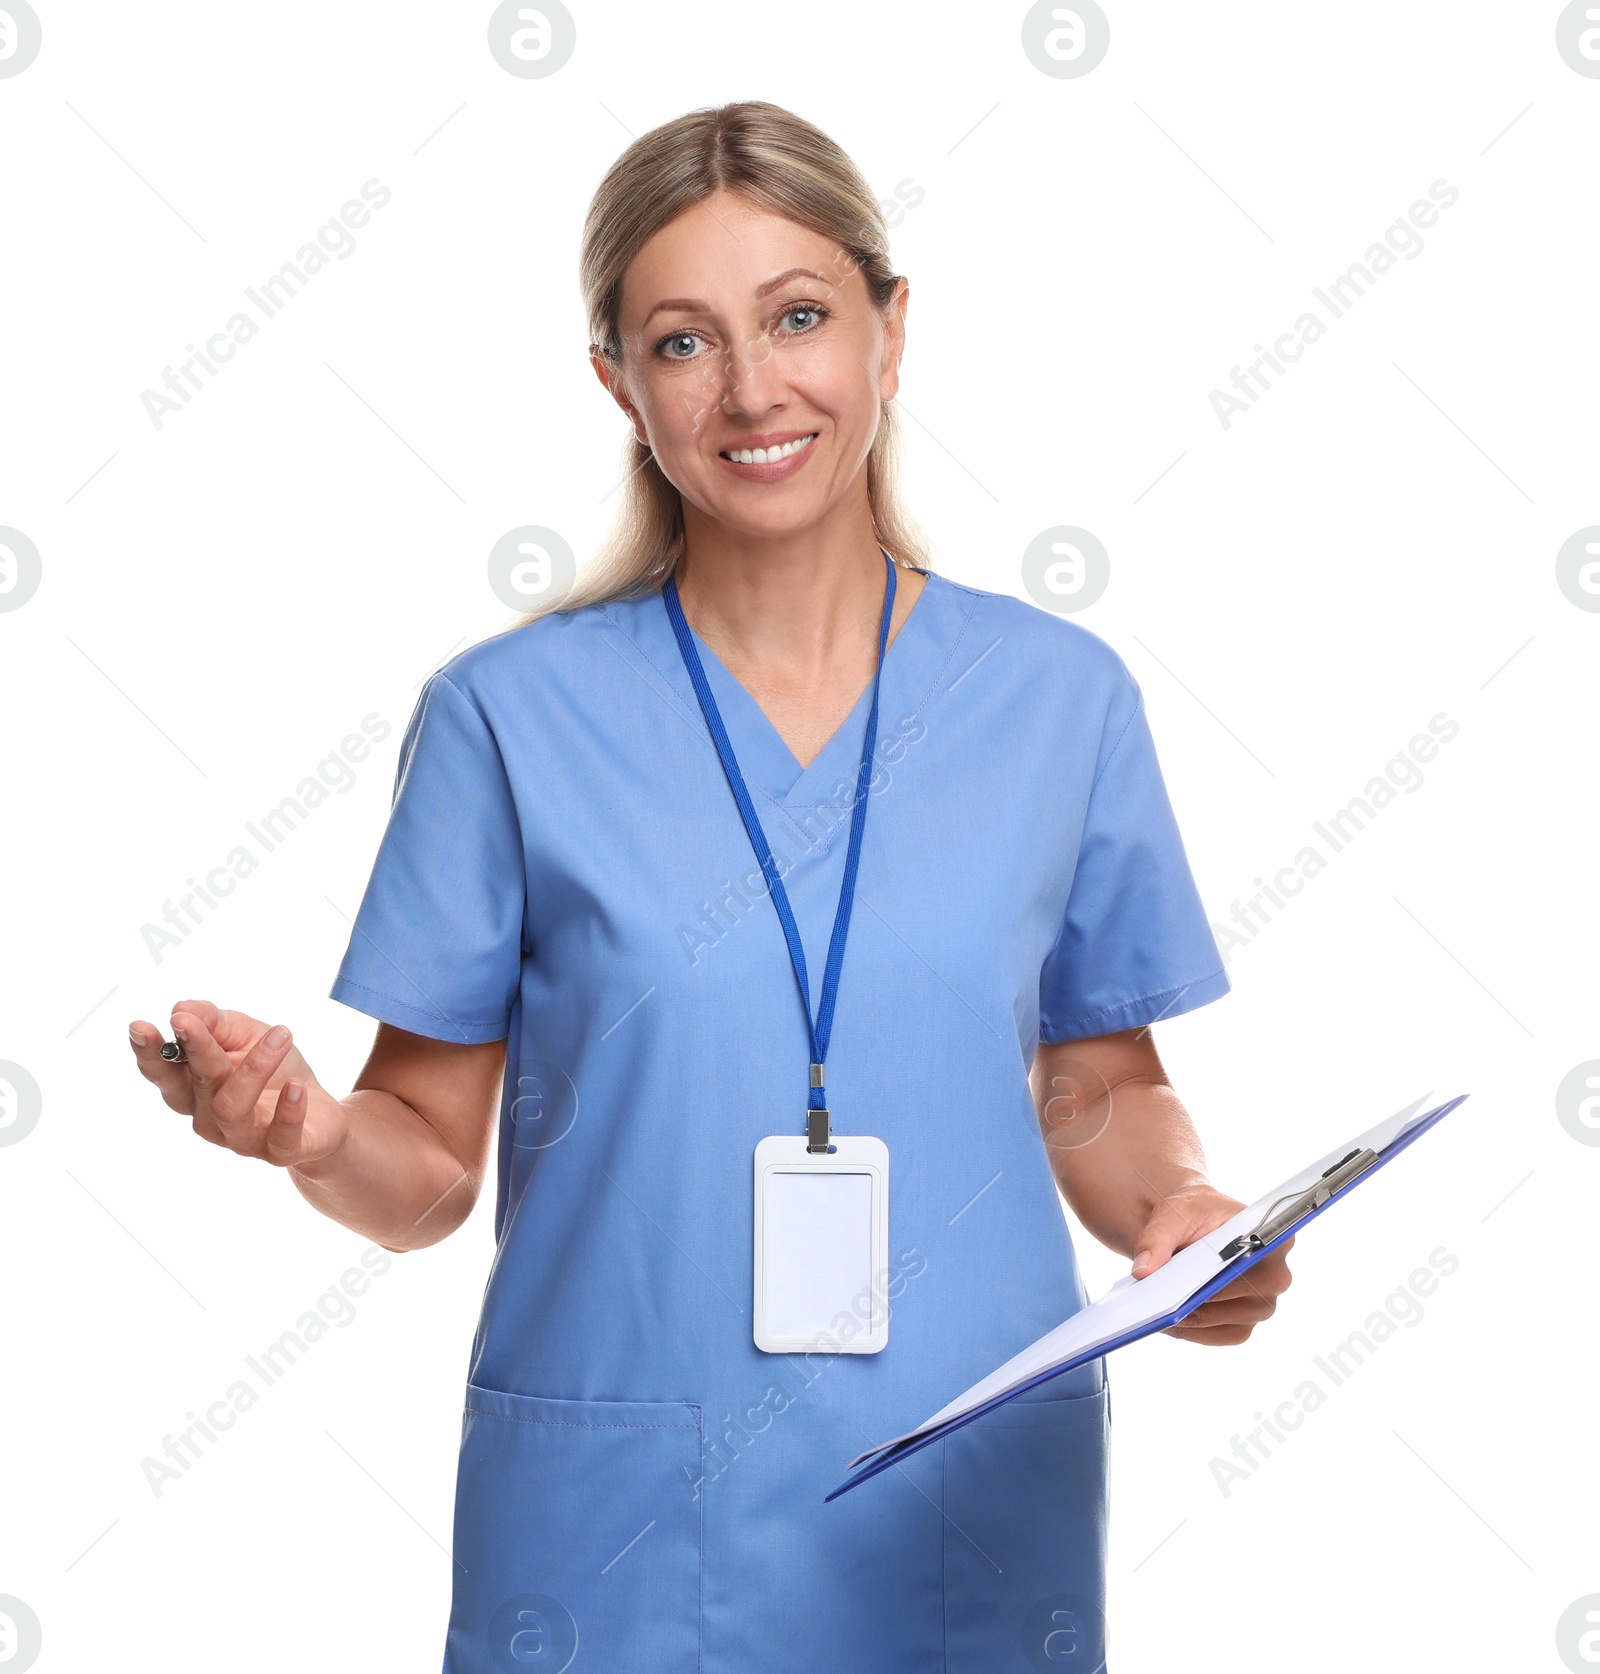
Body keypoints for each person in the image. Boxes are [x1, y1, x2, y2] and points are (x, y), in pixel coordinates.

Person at [127, 100, 1293, 1674]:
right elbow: (422, 1170)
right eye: (684, 342)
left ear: (892, 331)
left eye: (800, 317)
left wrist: (1183, 1217)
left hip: (965, 1501)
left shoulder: (1057, 699)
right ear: (617, 381)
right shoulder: (507, 718)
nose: (753, 390)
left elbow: (1100, 1086)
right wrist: (311, 1132)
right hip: (610, 1539)